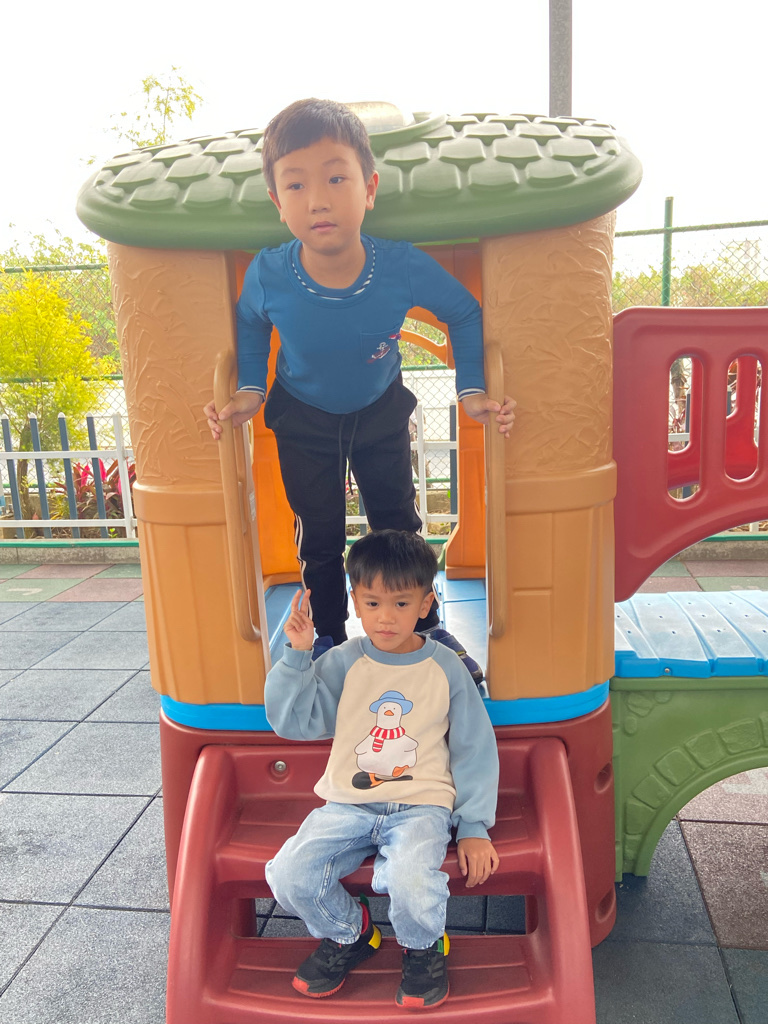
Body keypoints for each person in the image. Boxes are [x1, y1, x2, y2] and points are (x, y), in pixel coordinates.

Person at [204, 98, 515, 679]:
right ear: (277, 202)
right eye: (296, 185)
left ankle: (424, 628)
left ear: (369, 188)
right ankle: (327, 635)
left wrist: (471, 391)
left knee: (397, 525)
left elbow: (464, 311)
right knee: (319, 535)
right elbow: (249, 319)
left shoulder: (398, 266)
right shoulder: (270, 272)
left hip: (378, 411)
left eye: (336, 178)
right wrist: (248, 390)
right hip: (302, 417)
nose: (317, 200)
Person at [264, 529, 499, 1009]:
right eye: (372, 603)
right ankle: (351, 933)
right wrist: (297, 656)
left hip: (421, 805)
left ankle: (424, 947)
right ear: (355, 601)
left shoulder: (446, 668)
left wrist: (474, 826)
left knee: (412, 879)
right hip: (348, 802)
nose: (385, 617)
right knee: (289, 873)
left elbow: (474, 746)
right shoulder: (343, 662)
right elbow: (295, 721)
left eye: (401, 603)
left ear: (426, 603)